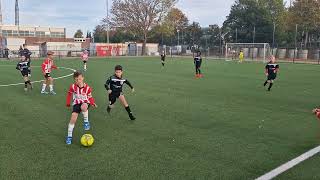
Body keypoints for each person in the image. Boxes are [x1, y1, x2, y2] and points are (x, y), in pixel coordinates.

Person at [65, 71, 97, 145]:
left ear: (82, 78)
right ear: (74, 79)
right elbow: (69, 94)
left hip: (85, 102)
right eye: (76, 79)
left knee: (84, 106)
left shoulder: (87, 88)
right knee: (73, 118)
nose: (78, 81)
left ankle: (86, 122)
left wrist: (92, 103)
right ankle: (69, 136)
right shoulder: (73, 86)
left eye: (79, 79)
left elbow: (90, 97)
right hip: (76, 103)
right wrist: (68, 102)